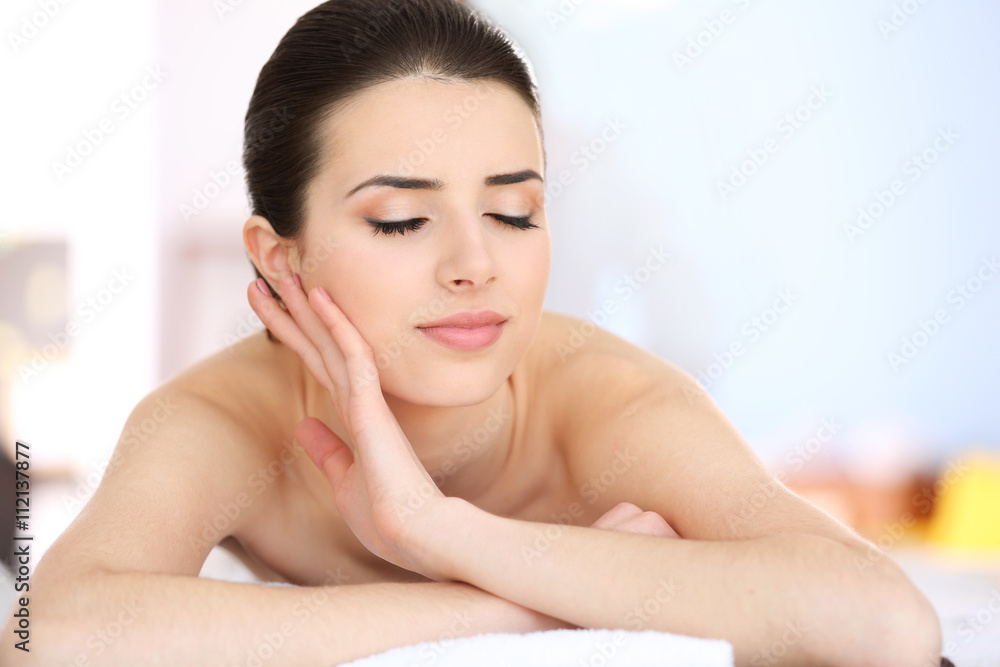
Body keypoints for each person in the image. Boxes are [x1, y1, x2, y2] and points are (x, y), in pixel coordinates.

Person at [4, 1, 943, 664]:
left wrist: (438, 527)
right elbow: (47, 633)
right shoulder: (224, 419)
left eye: (514, 214)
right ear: (280, 260)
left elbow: (886, 624)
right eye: (402, 222)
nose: (474, 265)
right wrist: (506, 605)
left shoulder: (609, 404)